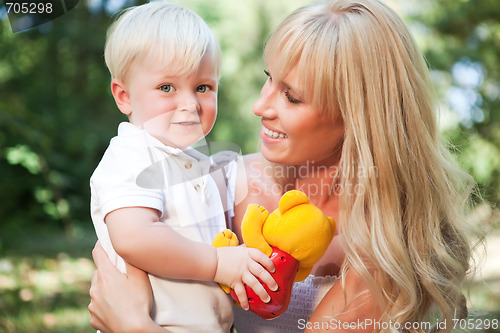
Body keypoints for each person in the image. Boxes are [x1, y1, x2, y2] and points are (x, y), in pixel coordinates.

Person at [89, 0, 479, 332]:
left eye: (291, 97)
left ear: (356, 118)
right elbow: (125, 250)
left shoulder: (384, 250)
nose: (260, 107)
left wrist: (132, 326)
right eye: (268, 79)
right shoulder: (218, 180)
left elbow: (126, 308)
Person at [89, 1, 278, 332]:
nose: (190, 104)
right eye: (167, 88)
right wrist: (218, 263)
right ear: (124, 96)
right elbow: (134, 236)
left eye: (203, 87)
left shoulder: (198, 164)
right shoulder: (132, 154)